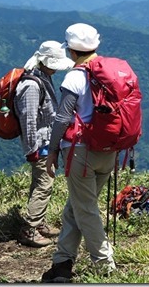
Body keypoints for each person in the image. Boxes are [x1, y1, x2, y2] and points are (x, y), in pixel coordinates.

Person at [42, 23, 116, 283]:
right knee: (76, 206)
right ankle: (62, 263)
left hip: (82, 152)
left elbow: (62, 118)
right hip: (109, 152)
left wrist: (52, 151)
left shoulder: (75, 76)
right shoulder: (109, 73)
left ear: (72, 51)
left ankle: (105, 265)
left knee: (85, 209)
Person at [15, 41, 74, 248]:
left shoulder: (43, 78)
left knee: (41, 183)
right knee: (44, 184)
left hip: (46, 142)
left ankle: (38, 223)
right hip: (39, 145)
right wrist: (32, 149)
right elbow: (28, 119)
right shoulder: (31, 85)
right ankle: (29, 229)